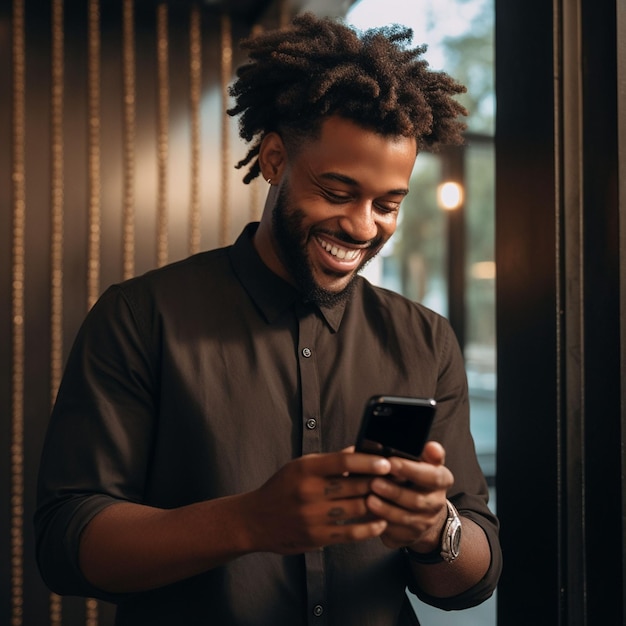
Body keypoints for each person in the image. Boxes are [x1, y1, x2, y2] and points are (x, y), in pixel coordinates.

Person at [35, 12, 501, 626]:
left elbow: (471, 581)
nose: (363, 226)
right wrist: (249, 521)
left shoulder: (426, 339)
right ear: (276, 159)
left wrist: (434, 530)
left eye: (388, 204)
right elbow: (67, 544)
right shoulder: (140, 316)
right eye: (337, 192)